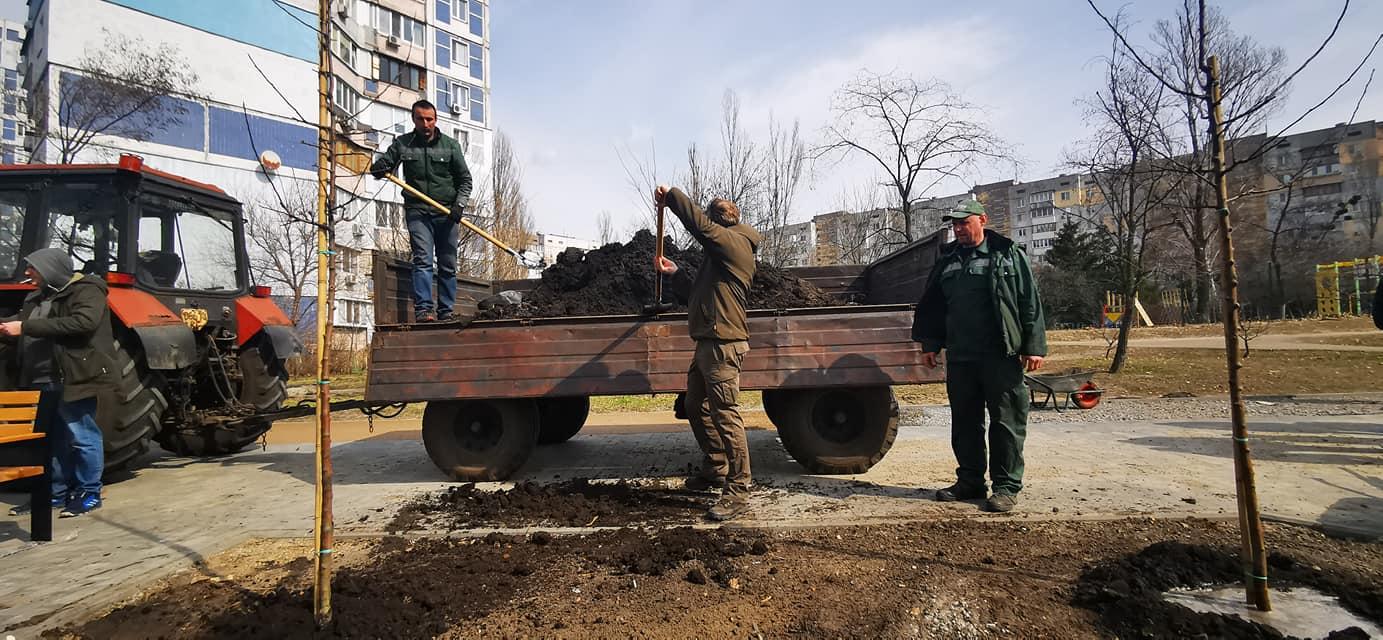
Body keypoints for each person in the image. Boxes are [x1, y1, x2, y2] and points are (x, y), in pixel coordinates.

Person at [911, 199, 1047, 513]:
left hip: (1000, 354)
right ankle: (970, 481)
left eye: (964, 222)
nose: (958, 229)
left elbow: (1029, 301)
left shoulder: (1008, 255)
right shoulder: (948, 261)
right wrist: (930, 342)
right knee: (965, 423)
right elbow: (933, 305)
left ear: (982, 220)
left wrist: (1035, 345)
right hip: (961, 357)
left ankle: (1005, 487)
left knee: (1006, 422)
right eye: (954, 224)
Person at [654, 185, 762, 522]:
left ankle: (739, 490)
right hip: (707, 342)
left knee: (726, 415)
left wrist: (672, 196)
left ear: (725, 223)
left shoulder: (736, 245)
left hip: (723, 345)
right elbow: (697, 297)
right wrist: (675, 275)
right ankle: (717, 465)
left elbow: (699, 226)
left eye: (715, 220)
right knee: (693, 405)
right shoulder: (717, 261)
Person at [1, 248, 115, 518]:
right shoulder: (36, 297)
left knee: (81, 435)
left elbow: (83, 323)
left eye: (33, 268)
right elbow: (28, 330)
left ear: (50, 268)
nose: (27, 273)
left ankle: (89, 493)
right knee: (49, 440)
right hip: (39, 378)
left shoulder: (87, 290)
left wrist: (24, 327)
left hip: (70, 375)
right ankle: (53, 493)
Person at [370, 99, 473, 323]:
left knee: (447, 264)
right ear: (413, 119)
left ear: (435, 120)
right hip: (417, 211)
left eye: (430, 119)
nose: (426, 124)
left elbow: (465, 180)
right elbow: (386, 164)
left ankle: (445, 311)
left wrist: (459, 205)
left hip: (446, 213)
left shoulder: (450, 145)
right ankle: (424, 310)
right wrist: (379, 168)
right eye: (421, 119)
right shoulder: (403, 144)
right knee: (423, 260)